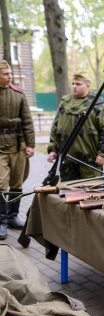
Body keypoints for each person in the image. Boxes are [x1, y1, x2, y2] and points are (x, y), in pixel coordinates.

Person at [47, 72, 104, 182]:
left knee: (91, 191)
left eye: (78, 84)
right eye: (73, 83)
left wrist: (103, 154)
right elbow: (55, 126)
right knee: (68, 193)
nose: (74, 86)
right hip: (66, 159)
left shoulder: (97, 104)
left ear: (87, 85)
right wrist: (53, 149)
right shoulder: (65, 102)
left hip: (89, 160)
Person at [0, 60, 36, 239]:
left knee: (17, 182)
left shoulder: (19, 94)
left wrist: (30, 145)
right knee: (0, 184)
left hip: (17, 145)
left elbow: (27, 121)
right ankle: (1, 221)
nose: (10, 76)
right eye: (6, 74)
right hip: (0, 146)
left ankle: (13, 217)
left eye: (10, 74)